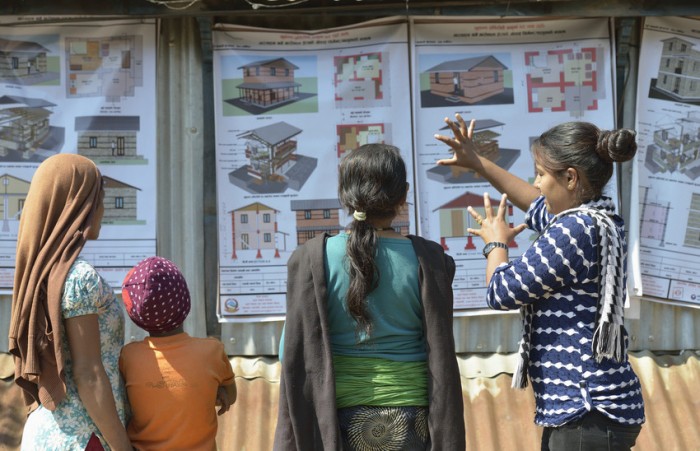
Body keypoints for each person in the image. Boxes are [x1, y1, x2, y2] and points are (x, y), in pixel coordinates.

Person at [435, 115, 645, 450]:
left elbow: (501, 292)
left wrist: (496, 243)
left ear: (571, 178)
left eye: (542, 174)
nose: (536, 183)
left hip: (584, 410)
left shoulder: (572, 231)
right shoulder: (600, 219)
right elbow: (534, 205)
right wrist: (479, 164)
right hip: (600, 409)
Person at [274, 143, 465, 450]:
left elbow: (291, 352)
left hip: (335, 422)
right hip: (414, 421)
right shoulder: (429, 261)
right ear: (403, 195)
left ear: (344, 196)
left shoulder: (313, 259)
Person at [8, 154, 132, 450]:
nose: (101, 209)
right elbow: (89, 374)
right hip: (84, 437)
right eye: (98, 199)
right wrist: (122, 446)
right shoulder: (79, 277)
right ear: (77, 206)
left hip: (46, 433)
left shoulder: (42, 273)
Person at [119, 256, 237, 451]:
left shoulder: (128, 357)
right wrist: (215, 392)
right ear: (185, 303)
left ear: (135, 315)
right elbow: (230, 396)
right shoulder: (212, 352)